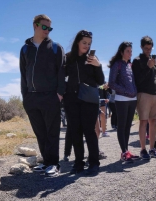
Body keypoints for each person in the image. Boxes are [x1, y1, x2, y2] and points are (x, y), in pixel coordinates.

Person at [20, 14, 65, 177]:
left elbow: (61, 71)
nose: (47, 30)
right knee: (40, 132)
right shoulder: (25, 48)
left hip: (50, 96)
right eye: (44, 27)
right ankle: (46, 162)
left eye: (49, 28)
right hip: (31, 97)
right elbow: (23, 74)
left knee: (52, 132)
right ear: (35, 26)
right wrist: (25, 96)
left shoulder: (55, 47)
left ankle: (54, 164)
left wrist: (59, 94)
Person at [63, 30, 104, 175]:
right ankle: (78, 162)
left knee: (89, 131)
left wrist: (97, 66)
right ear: (77, 42)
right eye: (84, 43)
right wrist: (61, 95)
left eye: (89, 43)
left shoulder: (93, 58)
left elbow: (101, 81)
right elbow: (61, 77)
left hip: (89, 100)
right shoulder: (67, 58)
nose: (87, 46)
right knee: (75, 132)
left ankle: (94, 163)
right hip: (71, 99)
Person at [132, 36, 156, 159]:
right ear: (141, 47)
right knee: (144, 121)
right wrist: (148, 67)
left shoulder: (154, 61)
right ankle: (143, 149)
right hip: (143, 93)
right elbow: (138, 79)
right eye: (146, 48)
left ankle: (152, 148)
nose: (148, 51)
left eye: (150, 48)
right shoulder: (137, 61)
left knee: (153, 121)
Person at [108, 41, 139, 163]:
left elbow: (133, 82)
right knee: (121, 126)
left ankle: (126, 151)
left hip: (133, 99)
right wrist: (126, 91)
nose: (130, 53)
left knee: (127, 126)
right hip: (121, 99)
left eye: (131, 51)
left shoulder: (130, 65)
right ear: (121, 52)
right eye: (127, 51)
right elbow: (111, 83)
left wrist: (134, 91)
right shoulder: (117, 64)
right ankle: (124, 151)